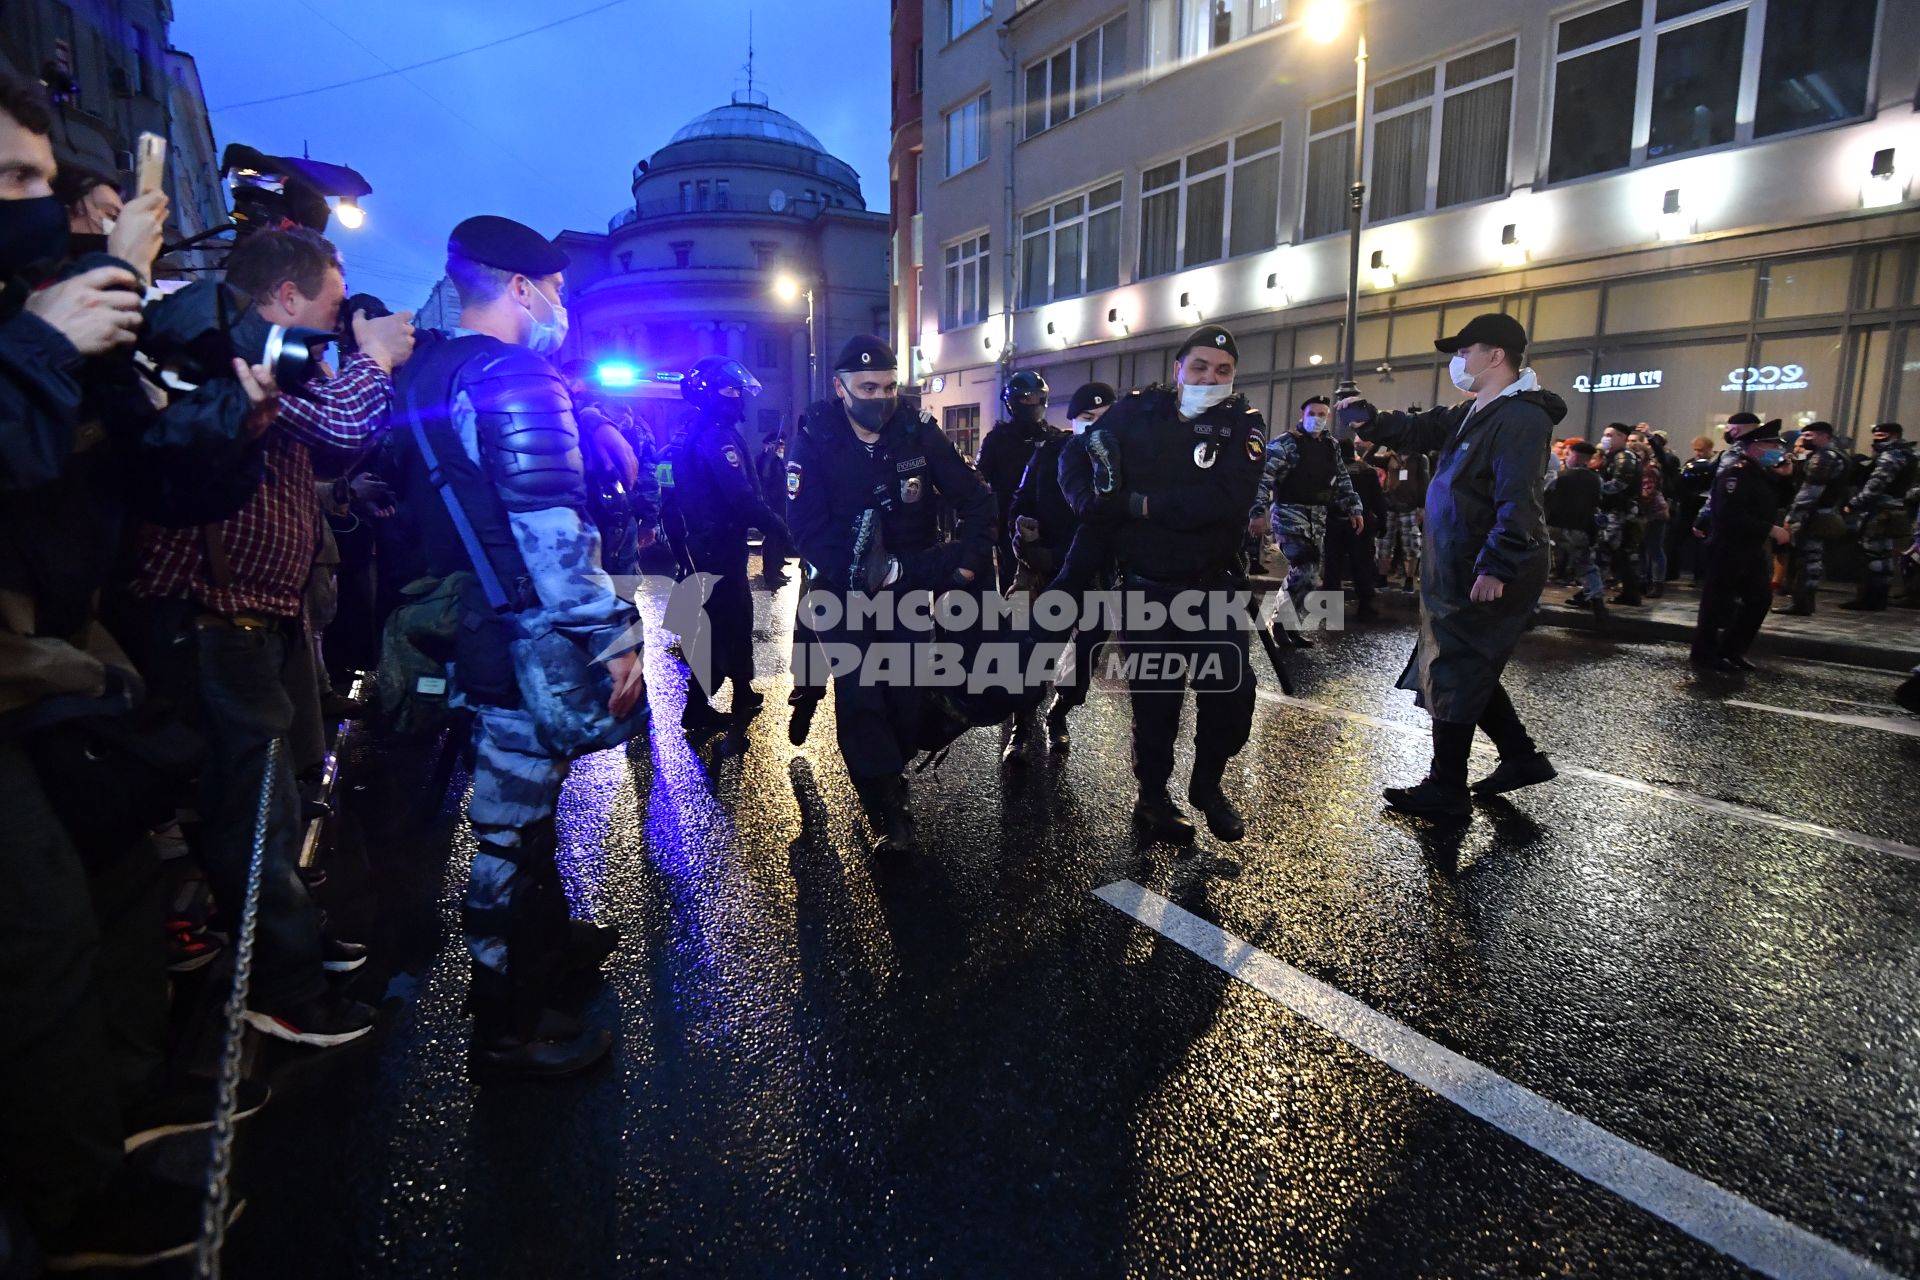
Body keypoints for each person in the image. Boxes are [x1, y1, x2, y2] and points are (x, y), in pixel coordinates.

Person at [129, 227, 412, 1047]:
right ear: (285, 296)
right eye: (331, 303)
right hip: (213, 618)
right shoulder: (227, 350)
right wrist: (374, 356)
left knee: (275, 804)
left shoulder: (266, 352)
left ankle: (289, 944)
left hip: (256, 614)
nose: (336, 322)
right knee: (249, 815)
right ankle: (281, 991)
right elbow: (341, 427)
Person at [391, 215, 646, 1080]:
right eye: (557, 290)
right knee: (505, 834)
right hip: (522, 641)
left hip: (464, 624)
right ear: (519, 287)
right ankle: (506, 1030)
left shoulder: (425, 370)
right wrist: (614, 635)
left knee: (522, 827)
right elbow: (550, 530)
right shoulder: (514, 376)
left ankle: (549, 954)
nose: (561, 305)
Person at [1340, 312, 1564, 819]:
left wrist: (1498, 566)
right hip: (1457, 561)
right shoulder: (1476, 410)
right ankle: (1521, 757)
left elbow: (1519, 499)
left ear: (1496, 356)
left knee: (1457, 664)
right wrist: (1368, 418)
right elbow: (1419, 428)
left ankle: (1446, 788)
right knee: (1463, 661)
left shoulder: (1521, 418)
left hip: (1481, 565)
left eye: (1465, 351)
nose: (1459, 362)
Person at [784, 335, 994, 853]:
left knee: (904, 693)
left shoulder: (917, 433)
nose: (880, 397)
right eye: (868, 387)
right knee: (860, 694)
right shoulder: (816, 435)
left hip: (907, 586)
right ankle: (885, 806)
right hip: (843, 588)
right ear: (840, 387)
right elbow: (806, 527)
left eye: (889, 386)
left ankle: (891, 770)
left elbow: (976, 500)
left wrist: (967, 563)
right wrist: (858, 572)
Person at [1059, 325, 1267, 843]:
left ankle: (1207, 784)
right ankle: (1153, 796)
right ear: (1178, 367)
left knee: (1231, 692)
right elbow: (1073, 454)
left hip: (1212, 588)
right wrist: (1089, 500)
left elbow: (1226, 501)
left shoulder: (1242, 423)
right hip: (1145, 589)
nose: (1210, 378)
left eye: (1223, 370)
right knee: (1156, 700)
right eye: (1199, 366)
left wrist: (1139, 506)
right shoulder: (1138, 410)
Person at [665, 356, 789, 735]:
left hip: (718, 545)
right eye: (730, 390)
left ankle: (742, 691)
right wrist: (784, 530)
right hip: (714, 546)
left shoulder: (707, 430)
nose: (738, 397)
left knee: (737, 619)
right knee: (719, 626)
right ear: (710, 394)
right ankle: (698, 708)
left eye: (739, 390)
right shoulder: (713, 437)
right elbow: (742, 497)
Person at [1009, 382, 1114, 754]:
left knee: (1083, 662)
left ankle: (1059, 713)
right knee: (1034, 654)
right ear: (1073, 421)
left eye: (1106, 418)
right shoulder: (1050, 453)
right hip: (1050, 573)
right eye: (1088, 419)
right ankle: (1021, 725)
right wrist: (1025, 538)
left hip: (1097, 579)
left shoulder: (1125, 459)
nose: (1097, 426)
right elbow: (1021, 503)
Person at [1251, 394, 1362, 646]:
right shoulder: (1285, 444)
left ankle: (1289, 625)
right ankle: (1280, 624)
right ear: (1302, 415)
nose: (1317, 419)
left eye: (1322, 415)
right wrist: (1257, 513)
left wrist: (1354, 508)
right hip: (1290, 514)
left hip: (1317, 518)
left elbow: (1342, 479)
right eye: (1313, 414)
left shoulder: (1330, 446)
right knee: (1305, 568)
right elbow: (1263, 479)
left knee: (1309, 576)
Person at [1691, 423, 1791, 671]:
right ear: (1756, 447)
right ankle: (1704, 653)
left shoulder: (1763, 473)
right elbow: (1730, 514)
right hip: (1728, 546)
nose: (1777, 449)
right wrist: (1769, 529)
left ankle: (1731, 649)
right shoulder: (1736, 473)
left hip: (1751, 548)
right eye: (1772, 445)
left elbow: (1779, 501)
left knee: (1759, 599)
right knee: (1716, 603)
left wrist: (1787, 478)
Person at [975, 369, 1052, 593]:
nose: (1032, 402)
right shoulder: (998, 439)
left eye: (1036, 397)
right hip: (1010, 525)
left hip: (1049, 523)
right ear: (1014, 402)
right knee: (1015, 586)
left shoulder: (1052, 438)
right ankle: (1015, 626)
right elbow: (979, 480)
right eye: (1026, 398)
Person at [1839, 422, 1916, 612]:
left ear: (1894, 435)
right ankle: (1878, 597)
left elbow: (1876, 485)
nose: (1876, 439)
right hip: (1894, 509)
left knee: (1872, 555)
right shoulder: (1908, 455)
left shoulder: (1890, 456)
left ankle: (1870, 598)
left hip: (1878, 510)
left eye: (1882, 435)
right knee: (1884, 557)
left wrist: (1853, 503)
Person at [1780, 420, 1848, 615]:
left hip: (1813, 515)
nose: (1805, 439)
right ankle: (1803, 601)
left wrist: (1793, 516)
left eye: (1810, 436)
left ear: (1824, 435)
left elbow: (1810, 490)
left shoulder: (1824, 457)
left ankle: (1802, 602)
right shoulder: (1836, 455)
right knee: (1811, 559)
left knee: (1807, 560)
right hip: (1822, 512)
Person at [1322, 439, 1384, 620]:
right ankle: (1365, 606)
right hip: (1361, 526)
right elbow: (1378, 500)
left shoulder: (1331, 471)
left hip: (1333, 523)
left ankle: (1331, 610)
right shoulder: (1367, 471)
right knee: (1362, 566)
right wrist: (1383, 523)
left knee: (1332, 566)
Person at [1548, 440, 1605, 617]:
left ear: (1575, 456)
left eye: (1568, 453)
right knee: (1585, 564)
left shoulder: (1559, 476)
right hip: (1582, 529)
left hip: (1556, 528)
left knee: (1543, 563)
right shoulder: (1597, 479)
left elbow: (1544, 497)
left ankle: (1531, 605)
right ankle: (1596, 598)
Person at [1594, 423, 1645, 606]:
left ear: (1622, 437)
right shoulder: (1613, 456)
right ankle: (1629, 594)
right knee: (1622, 556)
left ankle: (1593, 593)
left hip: (1620, 513)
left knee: (1605, 553)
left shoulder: (1625, 457)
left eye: (1610, 434)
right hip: (1614, 512)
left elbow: (1618, 485)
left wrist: (1594, 489)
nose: (1605, 438)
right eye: (1604, 434)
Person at [756, 433, 794, 586]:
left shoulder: (776, 460)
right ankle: (771, 575)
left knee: (778, 539)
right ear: (769, 444)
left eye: (782, 445)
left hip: (779, 503)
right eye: (778, 444)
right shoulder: (765, 459)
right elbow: (764, 480)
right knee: (771, 539)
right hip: (771, 504)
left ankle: (777, 569)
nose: (781, 447)